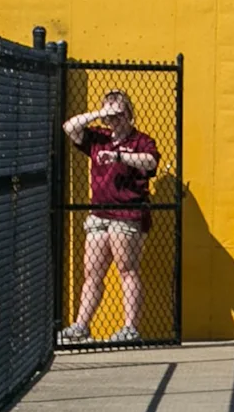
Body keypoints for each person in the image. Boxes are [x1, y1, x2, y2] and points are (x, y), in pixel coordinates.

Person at [60, 89, 160, 343]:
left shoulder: (141, 141)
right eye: (110, 114)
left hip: (126, 213)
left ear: (129, 113)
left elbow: (150, 162)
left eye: (119, 113)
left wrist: (119, 156)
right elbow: (70, 127)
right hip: (99, 213)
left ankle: (130, 328)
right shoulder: (99, 138)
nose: (114, 119)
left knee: (127, 269)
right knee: (92, 273)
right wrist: (100, 113)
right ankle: (81, 325)